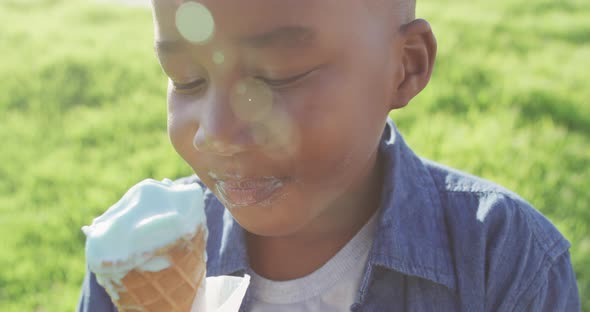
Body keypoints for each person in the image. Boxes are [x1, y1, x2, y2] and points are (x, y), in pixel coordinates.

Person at [78, 0, 580, 311]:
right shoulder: (140, 249)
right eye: (187, 80)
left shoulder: (505, 260)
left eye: (277, 76)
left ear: (404, 68)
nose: (217, 133)